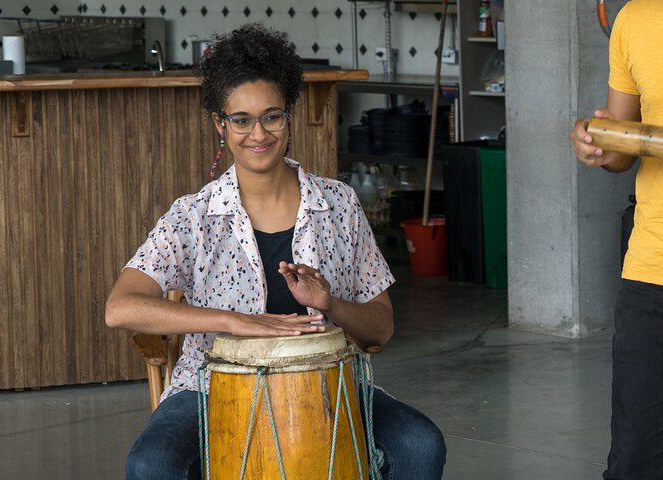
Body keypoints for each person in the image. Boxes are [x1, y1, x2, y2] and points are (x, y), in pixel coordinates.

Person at [105, 23, 446, 480]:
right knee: (150, 464)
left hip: (328, 385)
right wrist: (234, 321)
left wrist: (329, 303)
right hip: (210, 387)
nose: (257, 133)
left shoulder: (338, 204)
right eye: (241, 119)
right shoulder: (194, 216)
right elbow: (120, 308)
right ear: (219, 124)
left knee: (421, 445)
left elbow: (380, 328)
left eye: (271, 116)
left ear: (289, 117)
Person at [569, 1, 663, 478]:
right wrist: (600, 144)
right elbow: (625, 144)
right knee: (636, 462)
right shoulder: (637, 18)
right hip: (652, 268)